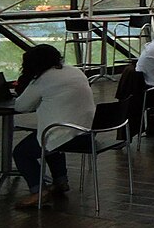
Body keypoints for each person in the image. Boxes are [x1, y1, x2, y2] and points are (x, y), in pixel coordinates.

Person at [12, 44, 96, 209]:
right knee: (51, 137)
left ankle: (39, 191)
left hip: (66, 135)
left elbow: (21, 106)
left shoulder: (43, 79)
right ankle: (60, 181)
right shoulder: (75, 71)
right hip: (86, 133)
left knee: (22, 152)